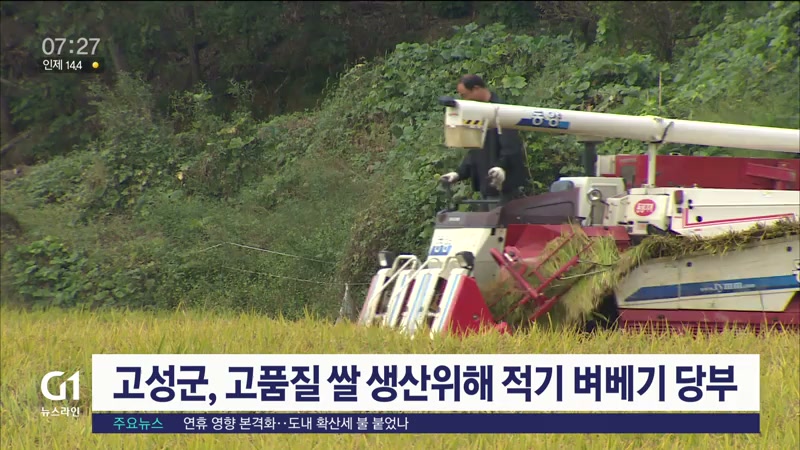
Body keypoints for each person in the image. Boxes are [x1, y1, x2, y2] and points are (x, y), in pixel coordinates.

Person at [440, 74, 531, 210]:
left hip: (505, 189)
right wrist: (459, 173)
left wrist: (501, 166)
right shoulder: (476, 113)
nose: (465, 100)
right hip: (486, 189)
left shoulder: (502, 111)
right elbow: (475, 150)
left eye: (465, 95)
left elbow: (511, 146)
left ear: (476, 89)